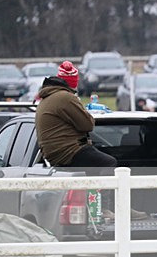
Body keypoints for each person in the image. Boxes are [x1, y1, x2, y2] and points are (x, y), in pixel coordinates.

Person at [35, 62, 146, 220]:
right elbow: (87, 124)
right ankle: (105, 208)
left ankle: (119, 207)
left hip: (55, 151)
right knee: (108, 163)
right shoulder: (65, 97)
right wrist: (83, 110)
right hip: (67, 151)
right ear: (73, 81)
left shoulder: (49, 97)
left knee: (97, 162)